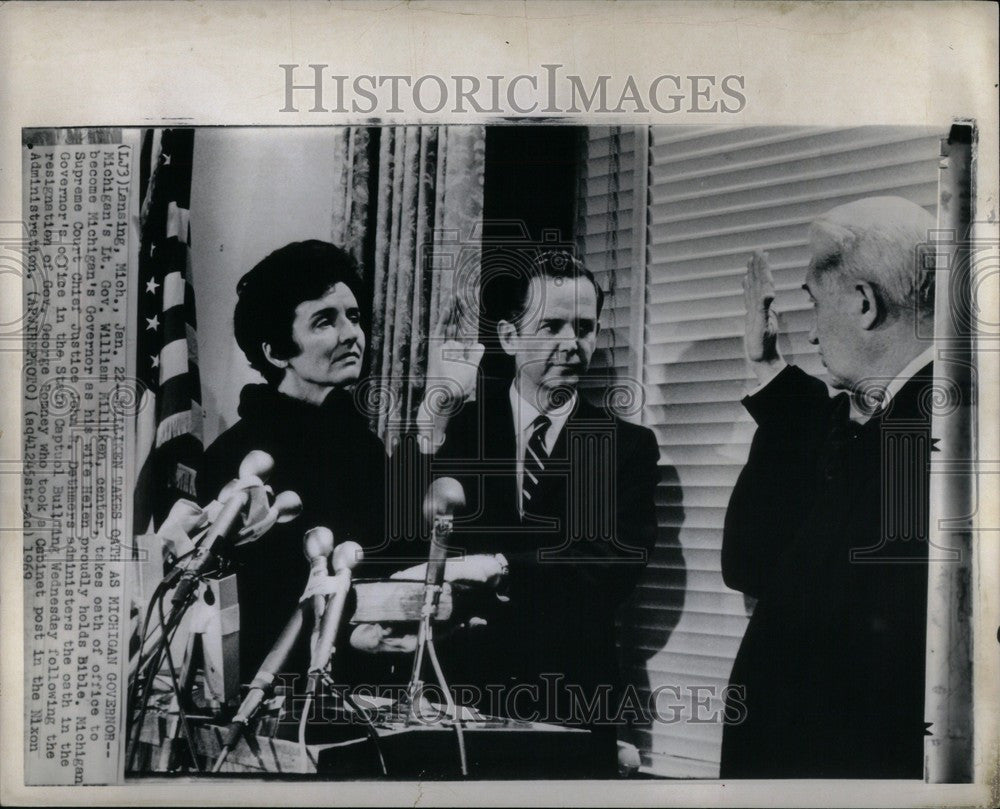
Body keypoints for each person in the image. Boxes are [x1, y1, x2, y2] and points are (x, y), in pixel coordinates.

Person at [421, 250, 661, 774]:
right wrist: (436, 413)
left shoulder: (627, 447)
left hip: (571, 701)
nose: (571, 345)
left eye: (584, 328)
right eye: (551, 325)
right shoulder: (461, 432)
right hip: (461, 696)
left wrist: (499, 568)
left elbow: (609, 563)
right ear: (508, 338)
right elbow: (414, 539)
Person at [720, 197, 937, 778]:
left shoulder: (924, 440)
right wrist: (767, 370)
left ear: (863, 304)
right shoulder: (903, 422)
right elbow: (758, 563)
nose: (811, 332)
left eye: (815, 304)